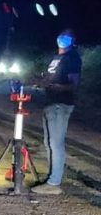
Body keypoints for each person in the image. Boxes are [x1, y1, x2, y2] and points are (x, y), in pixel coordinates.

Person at [32, 29, 81, 194]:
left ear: (73, 40)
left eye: (67, 36)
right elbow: (51, 78)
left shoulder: (72, 58)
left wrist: (52, 86)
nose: (62, 38)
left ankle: (54, 183)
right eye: (61, 34)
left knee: (56, 143)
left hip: (61, 103)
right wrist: (41, 81)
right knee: (48, 143)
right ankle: (52, 177)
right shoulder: (56, 58)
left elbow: (74, 85)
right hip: (50, 102)